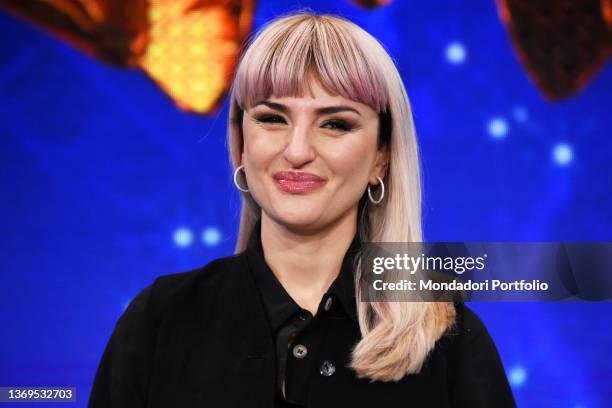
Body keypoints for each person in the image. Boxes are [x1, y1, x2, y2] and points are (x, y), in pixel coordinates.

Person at [89, 11, 516, 408]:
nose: (297, 151)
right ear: (241, 143)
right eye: (273, 119)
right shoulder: (160, 321)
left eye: (335, 123)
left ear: (381, 157)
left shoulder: (447, 339)